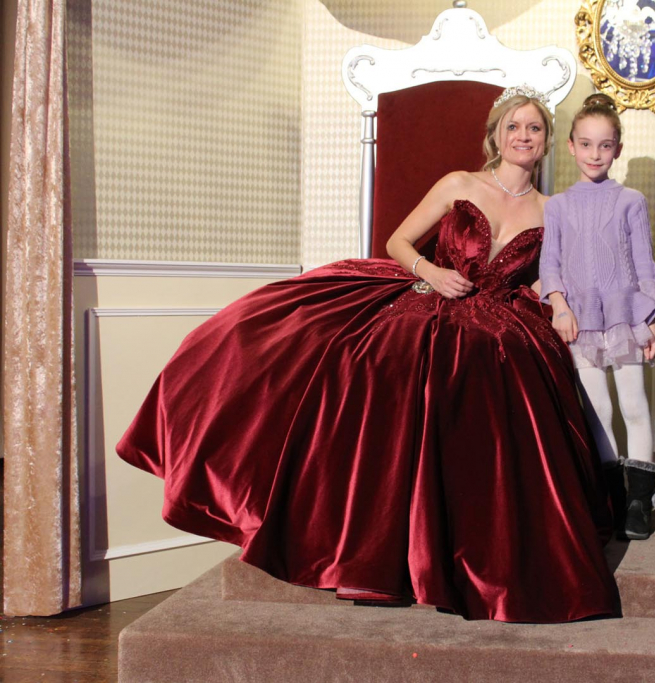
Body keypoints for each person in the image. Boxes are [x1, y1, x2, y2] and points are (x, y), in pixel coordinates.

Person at [116, 84, 622, 622]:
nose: (523, 136)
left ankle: (473, 548)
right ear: (495, 136)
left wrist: (561, 305)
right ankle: (358, 535)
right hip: (430, 297)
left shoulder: (554, 210)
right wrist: (432, 271)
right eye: (513, 126)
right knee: (372, 357)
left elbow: (551, 276)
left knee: (498, 365)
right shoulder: (458, 183)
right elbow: (398, 242)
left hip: (500, 314)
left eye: (534, 128)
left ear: (547, 141)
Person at [539, 93, 655, 541]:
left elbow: (644, 264)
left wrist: (650, 319)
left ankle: (639, 502)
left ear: (617, 149)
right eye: (586, 144)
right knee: (598, 409)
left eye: (605, 145)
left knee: (633, 405)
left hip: (625, 317)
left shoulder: (630, 200)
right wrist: (560, 306)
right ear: (571, 146)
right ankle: (612, 497)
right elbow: (550, 264)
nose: (595, 154)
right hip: (581, 320)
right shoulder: (557, 206)